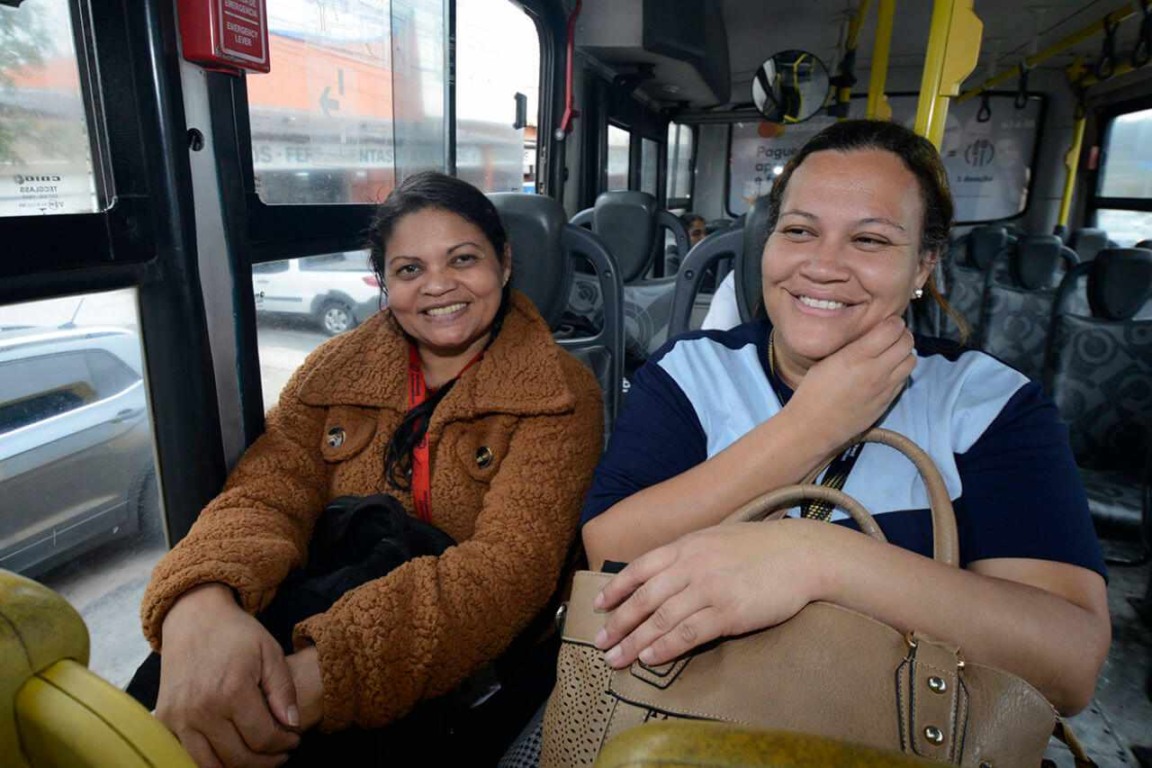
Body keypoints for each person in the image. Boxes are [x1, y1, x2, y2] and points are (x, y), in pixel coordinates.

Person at [580, 120, 1109, 717]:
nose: (823, 265)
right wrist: (811, 427)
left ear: (923, 266)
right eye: (799, 230)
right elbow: (610, 556)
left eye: (870, 240)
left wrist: (818, 559)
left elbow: (1068, 664)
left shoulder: (985, 403)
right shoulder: (694, 372)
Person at [139, 171, 604, 767]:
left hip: (473, 657)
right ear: (386, 282)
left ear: (505, 262)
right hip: (325, 599)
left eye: (463, 259)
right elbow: (265, 491)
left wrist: (320, 676)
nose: (438, 285)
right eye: (410, 269)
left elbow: (507, 571)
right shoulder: (333, 373)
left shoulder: (560, 395)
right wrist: (202, 603)